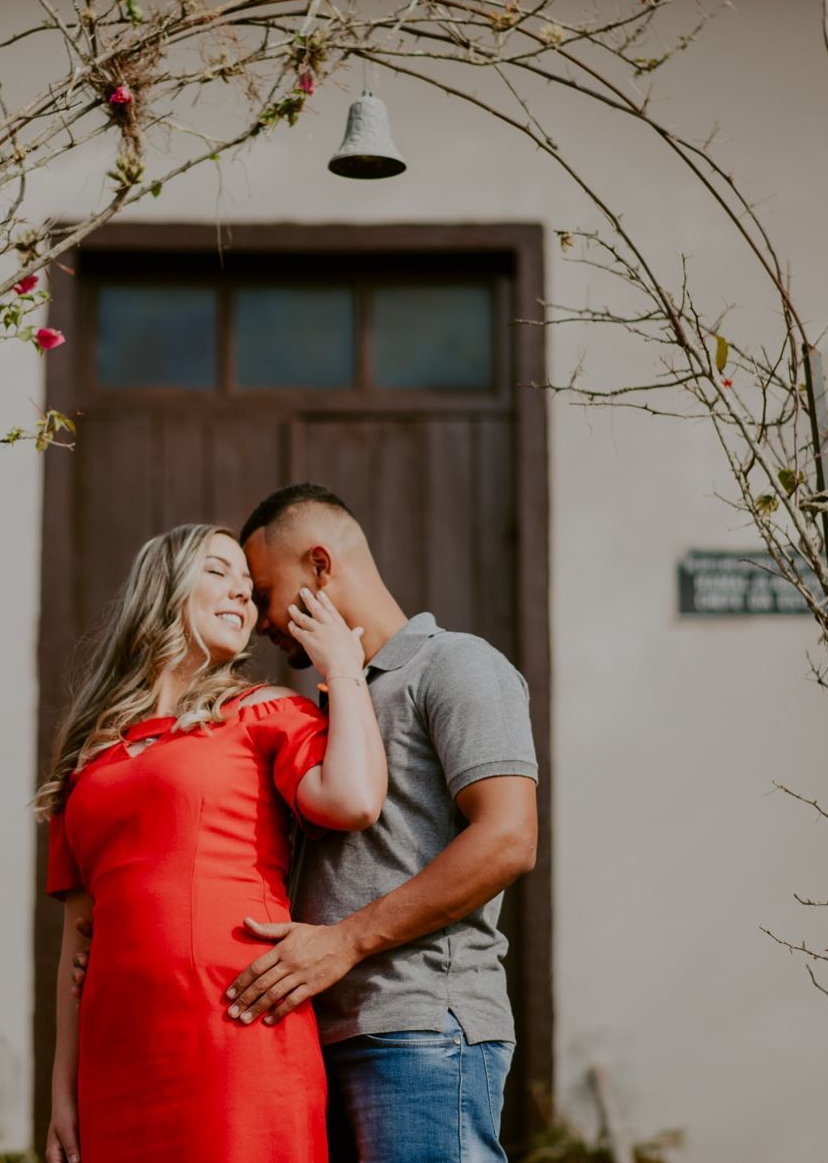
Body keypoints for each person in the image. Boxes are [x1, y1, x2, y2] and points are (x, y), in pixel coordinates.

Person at [74, 484, 541, 1163]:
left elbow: (508, 840)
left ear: (320, 566)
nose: (258, 617)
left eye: (263, 592)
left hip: (420, 1028)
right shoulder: (325, 703)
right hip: (320, 1032)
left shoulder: (455, 665)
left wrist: (344, 943)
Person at [37, 522, 388, 1163]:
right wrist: (63, 1089)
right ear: (163, 588)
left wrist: (344, 670)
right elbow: (75, 937)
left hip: (234, 1028)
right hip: (117, 1054)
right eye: (218, 571)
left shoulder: (263, 712)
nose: (242, 597)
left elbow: (355, 799)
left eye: (249, 589)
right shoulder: (88, 757)